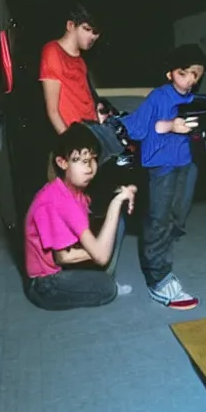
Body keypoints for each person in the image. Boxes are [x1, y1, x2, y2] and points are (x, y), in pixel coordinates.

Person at [120, 44, 206, 310]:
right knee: (159, 219)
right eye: (184, 73)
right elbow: (134, 128)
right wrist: (169, 126)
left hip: (187, 164)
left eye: (196, 75)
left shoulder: (197, 102)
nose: (190, 80)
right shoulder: (158, 98)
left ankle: (160, 258)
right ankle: (158, 277)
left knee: (178, 216)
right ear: (170, 73)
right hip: (161, 167)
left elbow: (205, 137)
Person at [24, 122, 137, 311]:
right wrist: (99, 249)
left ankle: (98, 273)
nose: (90, 168)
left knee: (115, 222)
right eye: (80, 161)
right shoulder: (56, 201)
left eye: (92, 159)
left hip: (63, 265)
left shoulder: (73, 189)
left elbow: (102, 193)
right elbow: (63, 258)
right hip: (45, 284)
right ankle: (103, 281)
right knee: (107, 288)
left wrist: (125, 191)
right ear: (62, 162)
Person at [39, 4, 101, 135]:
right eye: (87, 29)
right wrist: (69, 142)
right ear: (70, 26)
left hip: (91, 133)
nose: (93, 37)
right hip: (74, 138)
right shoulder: (52, 51)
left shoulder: (81, 61)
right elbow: (52, 110)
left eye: (96, 32)